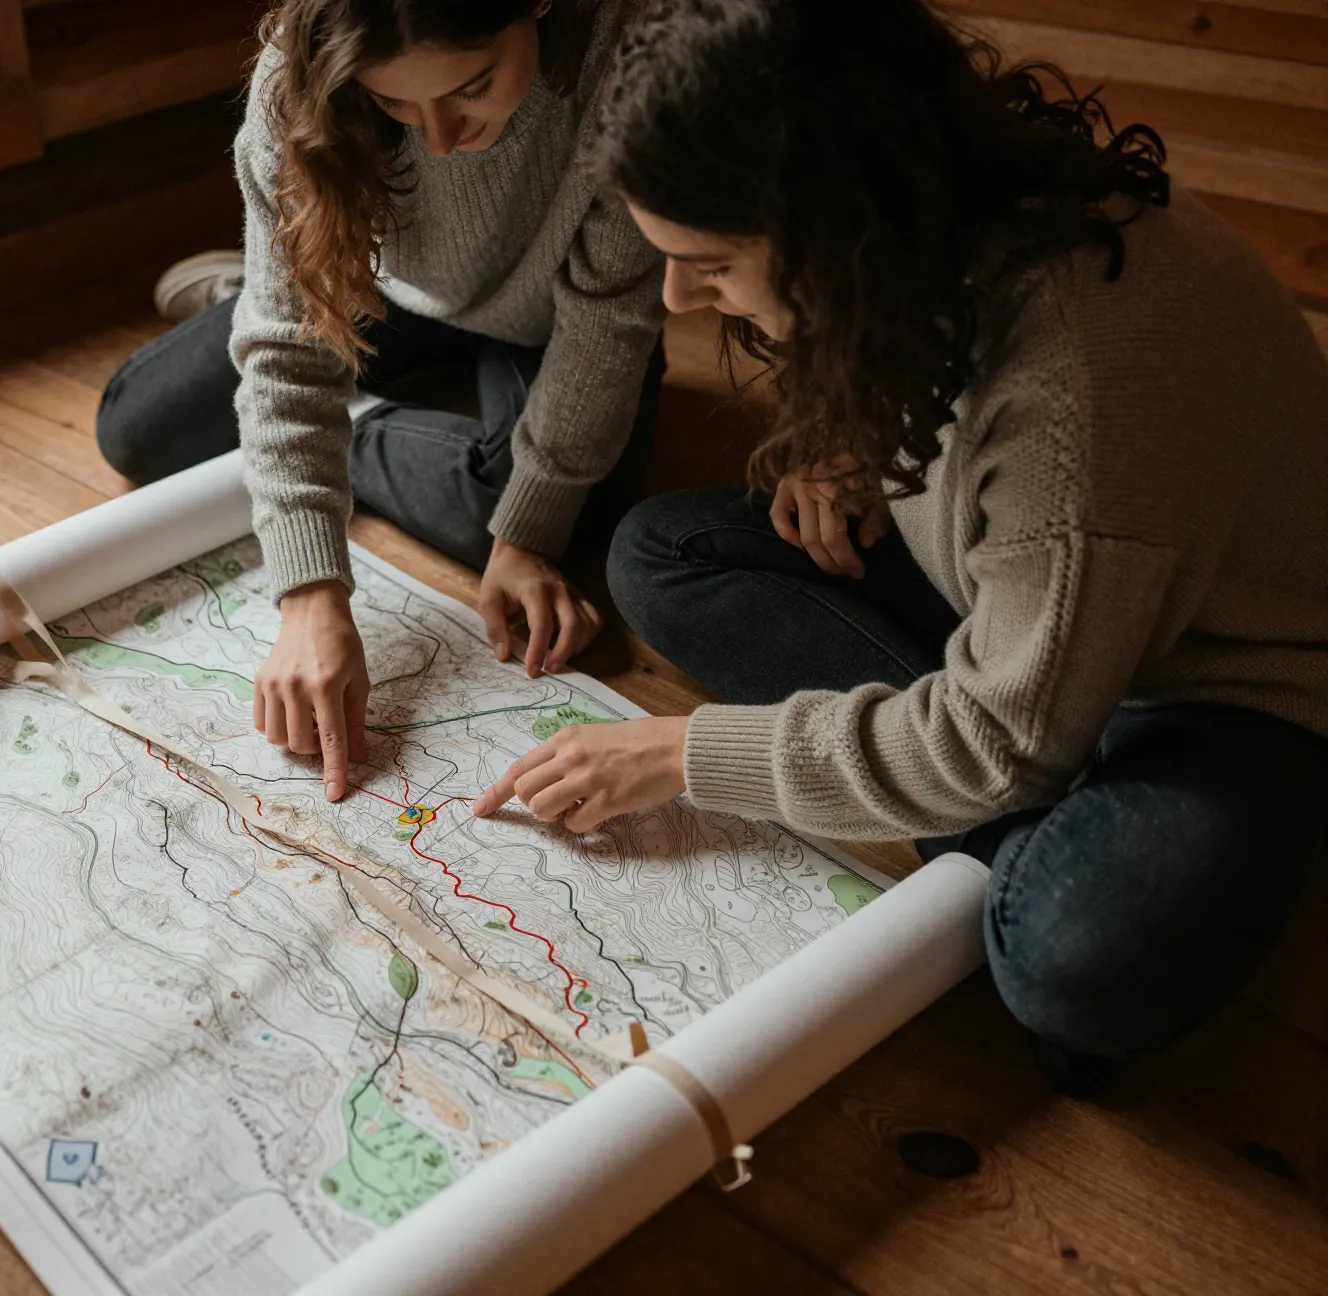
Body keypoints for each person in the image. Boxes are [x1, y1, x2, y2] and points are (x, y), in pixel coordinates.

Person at [473, 0, 1328, 1089]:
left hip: (1216, 684)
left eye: (711, 261)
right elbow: (968, 435)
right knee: (662, 553)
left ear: (840, 227)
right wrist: (862, 448)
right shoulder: (939, 224)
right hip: (1033, 614)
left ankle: (1019, 798)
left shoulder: (1076, 395)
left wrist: (689, 755)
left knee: (1071, 973)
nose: (679, 298)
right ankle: (993, 781)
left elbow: (1000, 739)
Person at [96, 0, 667, 804]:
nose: (439, 137)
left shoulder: (634, 53)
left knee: (526, 526)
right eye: (396, 102)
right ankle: (263, 287)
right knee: (136, 430)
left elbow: (608, 325)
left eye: (471, 86)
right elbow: (290, 356)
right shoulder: (291, 85)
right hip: (378, 285)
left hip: (558, 311)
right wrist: (308, 592)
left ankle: (353, 418)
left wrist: (525, 535)